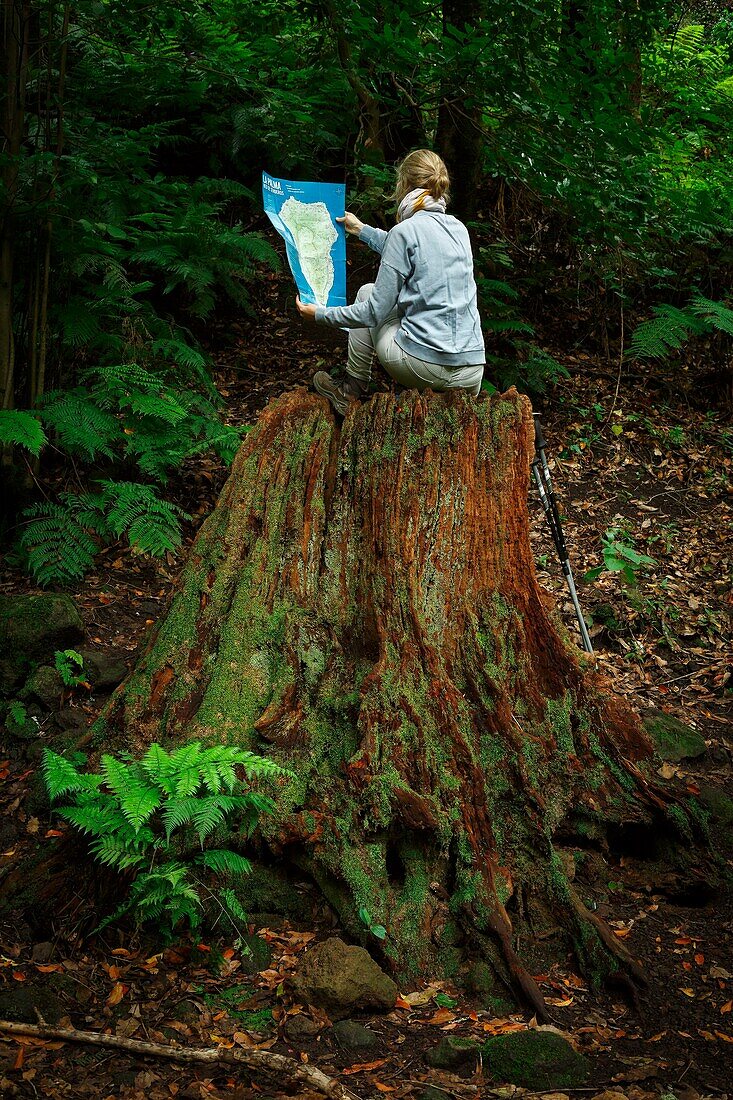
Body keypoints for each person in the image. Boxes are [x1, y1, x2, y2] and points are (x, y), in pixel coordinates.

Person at [295, 149, 485, 416]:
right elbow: (418, 251)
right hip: (472, 371)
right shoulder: (458, 229)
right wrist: (361, 230)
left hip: (425, 367)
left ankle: (350, 390)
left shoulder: (404, 231)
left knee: (366, 294)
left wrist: (320, 315)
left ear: (404, 185)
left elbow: (373, 312)